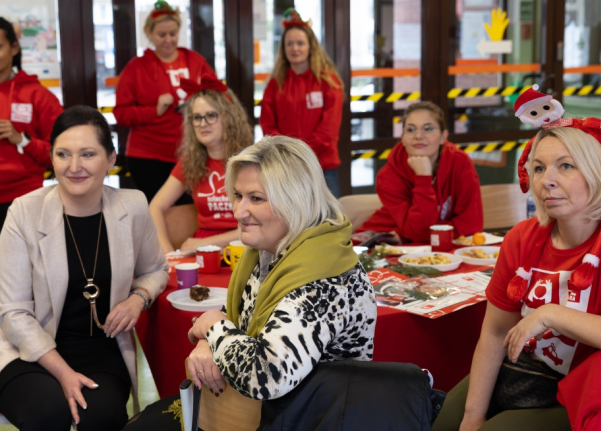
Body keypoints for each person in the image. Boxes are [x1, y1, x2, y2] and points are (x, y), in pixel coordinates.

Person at [115, 135, 377, 431]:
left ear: (295, 200)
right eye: (238, 195)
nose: (238, 211)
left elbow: (265, 375)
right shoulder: (272, 251)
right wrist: (211, 340)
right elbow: (246, 319)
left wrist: (213, 326)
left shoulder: (323, 278)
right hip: (258, 415)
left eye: (256, 198)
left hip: (304, 430)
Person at [432, 93, 601, 431]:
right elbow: (495, 332)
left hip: (591, 387)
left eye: (565, 166)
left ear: (599, 172)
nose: (547, 180)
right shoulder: (523, 237)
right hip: (526, 369)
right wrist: (472, 415)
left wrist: (549, 315)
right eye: (539, 167)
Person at [0, 106, 169, 431]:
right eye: (63, 154)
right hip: (27, 350)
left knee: (102, 418)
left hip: (100, 349)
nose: (74, 166)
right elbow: (14, 313)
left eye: (88, 154)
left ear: (111, 158)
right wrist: (63, 374)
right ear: (51, 157)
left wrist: (139, 298)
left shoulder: (133, 205)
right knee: (48, 415)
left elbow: (155, 271)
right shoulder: (24, 211)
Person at [0, 16, 63, 269]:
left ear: (13, 48)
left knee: (29, 270)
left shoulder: (38, 95)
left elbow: (60, 154)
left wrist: (21, 140)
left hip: (23, 198)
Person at [114, 0, 217, 203]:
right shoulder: (137, 68)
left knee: (188, 211)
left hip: (191, 152)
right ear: (150, 35)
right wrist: (155, 110)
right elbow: (121, 114)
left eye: (173, 34)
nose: (168, 40)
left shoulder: (195, 61)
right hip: (148, 156)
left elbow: (217, 97)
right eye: (162, 35)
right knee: (158, 212)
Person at [149, 75, 253, 254]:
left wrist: (205, 243)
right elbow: (155, 207)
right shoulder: (190, 163)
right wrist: (168, 255)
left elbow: (264, 221)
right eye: (197, 118)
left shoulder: (250, 161)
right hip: (204, 252)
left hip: (244, 245)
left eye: (211, 116)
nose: (202, 124)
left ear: (229, 118)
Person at [359, 101, 483, 244]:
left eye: (428, 129)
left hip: (410, 243)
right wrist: (423, 179)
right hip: (379, 245)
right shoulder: (388, 176)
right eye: (410, 130)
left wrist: (405, 234)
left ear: (443, 136)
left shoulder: (460, 163)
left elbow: (471, 225)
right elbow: (417, 232)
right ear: (403, 138)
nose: (418, 136)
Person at [259, 8, 344, 197]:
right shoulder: (275, 83)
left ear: (310, 46)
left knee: (329, 223)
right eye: (289, 44)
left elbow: (328, 129)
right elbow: (267, 124)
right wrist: (289, 153)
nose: (295, 48)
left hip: (323, 166)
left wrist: (301, 154)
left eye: (300, 43)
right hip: (286, 167)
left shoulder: (328, 81)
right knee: (291, 224)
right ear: (283, 48)